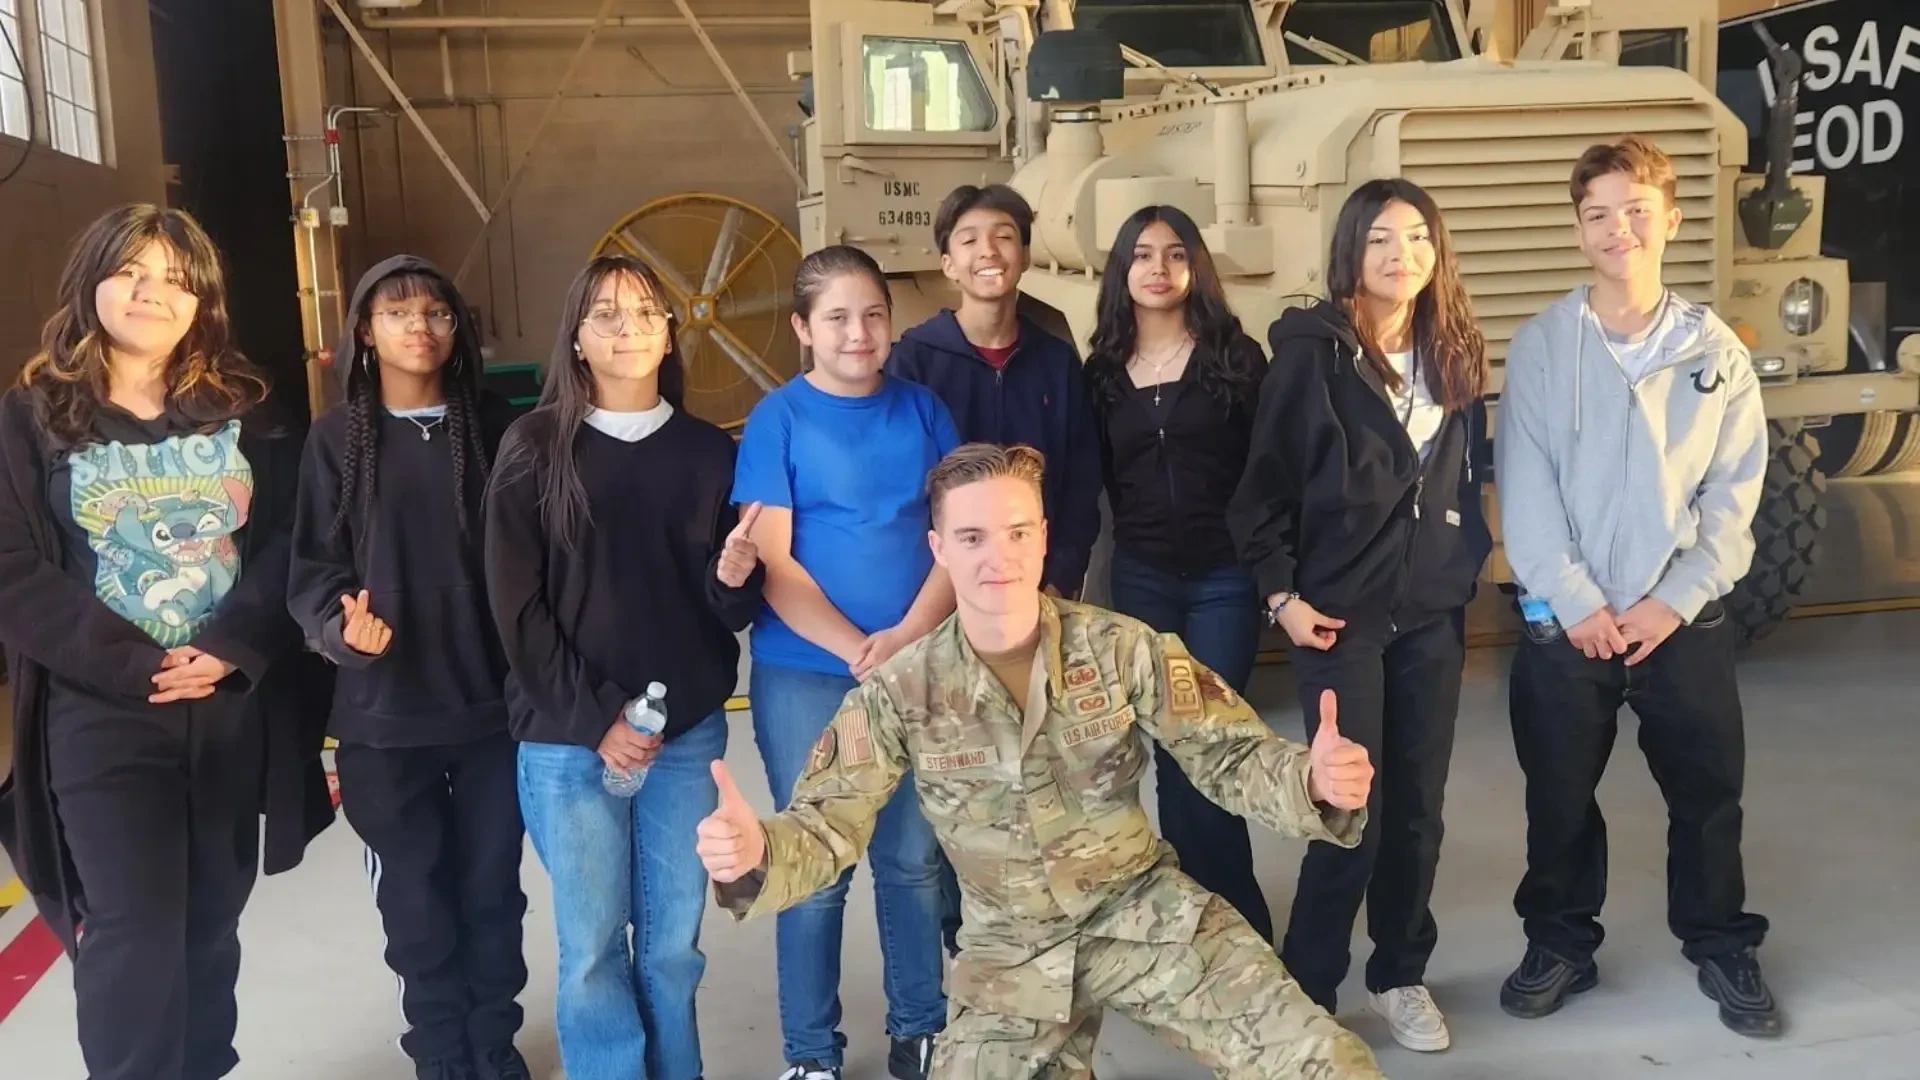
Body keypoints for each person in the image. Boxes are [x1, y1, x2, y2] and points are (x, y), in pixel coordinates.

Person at [697, 442, 1385, 1080]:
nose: (999, 557)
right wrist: (756, 850)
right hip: (1008, 951)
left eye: (1018, 531)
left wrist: (1311, 780)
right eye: (971, 537)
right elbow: (826, 825)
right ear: (938, 547)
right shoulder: (901, 690)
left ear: (1045, 535)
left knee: (1327, 1065)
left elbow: (1227, 754)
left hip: (1144, 915)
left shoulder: (1121, 648)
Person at [0, 204, 333, 1080]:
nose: (152, 294)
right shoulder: (31, 419)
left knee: (210, 921)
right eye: (131, 273)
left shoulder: (245, 415)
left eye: (175, 280)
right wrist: (136, 664)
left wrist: (230, 648)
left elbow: (288, 546)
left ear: (203, 302)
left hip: (225, 706)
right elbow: (14, 571)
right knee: (134, 929)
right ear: (92, 284)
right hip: (101, 715)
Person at [1495, 135, 1781, 1037]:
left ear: (1670, 219)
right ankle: (1560, 943)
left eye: (1635, 210)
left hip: (1679, 620)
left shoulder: (1715, 353)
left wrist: (1675, 599)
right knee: (1559, 796)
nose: (1618, 230)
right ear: (1579, 231)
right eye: (1597, 215)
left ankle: (1721, 941)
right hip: (1565, 626)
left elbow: (1735, 496)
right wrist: (1578, 604)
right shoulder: (1545, 346)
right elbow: (1526, 486)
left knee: (1707, 794)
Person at [483, 253, 765, 1080]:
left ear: (669, 332)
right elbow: (515, 607)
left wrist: (734, 578)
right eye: (604, 313)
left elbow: (725, 607)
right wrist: (597, 718)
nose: (627, 327)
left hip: (684, 740)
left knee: (673, 948)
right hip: (570, 744)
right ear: (575, 339)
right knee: (593, 949)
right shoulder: (535, 447)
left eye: (645, 310)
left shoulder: (709, 451)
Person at [1227, 178, 1491, 1052]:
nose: (1401, 255)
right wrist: (1283, 600)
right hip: (1338, 621)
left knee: (1418, 807)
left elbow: (1464, 475)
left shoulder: (1453, 350)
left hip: (1430, 617)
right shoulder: (1312, 356)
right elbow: (1260, 494)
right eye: (1381, 238)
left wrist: (1465, 558)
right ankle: (1308, 988)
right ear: (1351, 251)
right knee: (1348, 808)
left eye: (1418, 237)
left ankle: (1400, 975)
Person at [288, 255, 528, 1080]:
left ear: (457, 330)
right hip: (385, 721)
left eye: (436, 313)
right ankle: (440, 1056)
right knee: (417, 903)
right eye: (397, 314)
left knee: (493, 892)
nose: (419, 328)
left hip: (495, 712)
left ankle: (493, 1051)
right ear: (365, 331)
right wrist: (338, 632)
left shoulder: (498, 429)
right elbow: (312, 571)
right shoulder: (336, 440)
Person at [732, 245, 957, 1080]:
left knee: (911, 859)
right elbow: (776, 562)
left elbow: (955, 539)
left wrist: (903, 637)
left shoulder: (927, 411)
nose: (858, 332)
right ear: (802, 329)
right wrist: (855, 650)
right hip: (805, 671)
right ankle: (810, 1053)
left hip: (917, 659)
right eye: (836, 317)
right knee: (813, 863)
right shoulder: (777, 420)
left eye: (872, 314)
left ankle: (920, 1029)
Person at [1083, 205, 1273, 942]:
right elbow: (1096, 486)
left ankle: (1238, 926)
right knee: (1167, 752)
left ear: (1195, 267)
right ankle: (1197, 916)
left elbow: (1266, 472)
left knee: (1212, 745)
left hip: (1224, 580)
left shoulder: (1236, 358)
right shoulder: (1099, 373)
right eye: (1141, 255)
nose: (1157, 269)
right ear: (1122, 272)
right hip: (1144, 579)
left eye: (1173, 254)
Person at [886, 183, 1101, 600]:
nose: (988, 251)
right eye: (969, 240)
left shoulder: (1056, 361)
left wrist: (1059, 578)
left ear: (1024, 255)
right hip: (939, 593)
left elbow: (1080, 483)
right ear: (948, 263)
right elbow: (901, 488)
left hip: (1038, 588)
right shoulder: (914, 362)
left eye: (1003, 236)